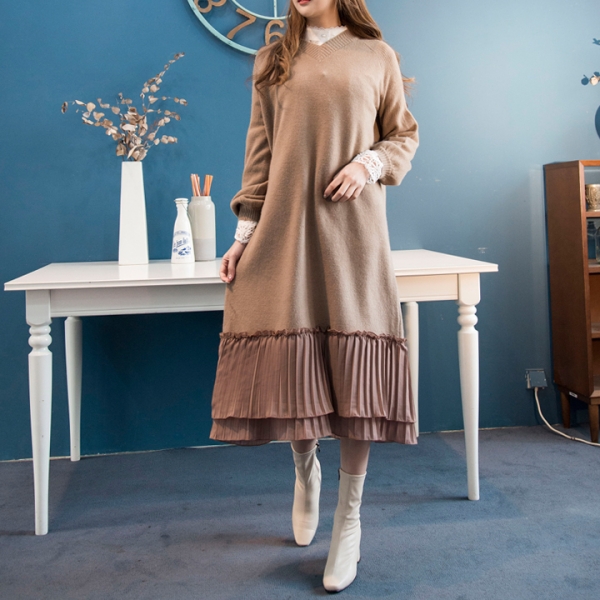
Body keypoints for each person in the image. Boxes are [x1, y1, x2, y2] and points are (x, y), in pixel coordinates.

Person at [210, 0, 419, 592]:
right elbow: (260, 154)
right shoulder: (272, 58)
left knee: (354, 373)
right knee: (296, 362)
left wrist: (369, 163)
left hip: (353, 233)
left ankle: (348, 521)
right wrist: (242, 237)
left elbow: (403, 134)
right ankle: (306, 471)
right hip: (285, 231)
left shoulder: (376, 55)